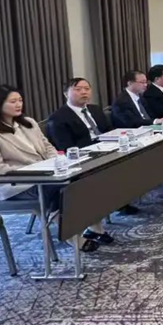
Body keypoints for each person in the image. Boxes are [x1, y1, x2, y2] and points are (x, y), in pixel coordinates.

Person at [0, 84, 104, 253]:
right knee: (61, 189)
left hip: (49, 174)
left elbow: (47, 147)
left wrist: (58, 163)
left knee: (85, 179)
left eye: (20, 100)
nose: (18, 104)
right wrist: (39, 170)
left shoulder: (28, 123)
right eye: (12, 101)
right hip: (18, 185)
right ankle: (73, 237)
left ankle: (95, 228)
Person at [47, 78, 134, 226]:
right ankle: (97, 217)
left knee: (132, 159)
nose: (84, 92)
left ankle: (120, 200)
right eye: (78, 89)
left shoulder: (95, 110)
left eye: (87, 89)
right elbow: (66, 147)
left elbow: (109, 132)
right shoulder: (58, 118)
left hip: (107, 151)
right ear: (66, 94)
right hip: (84, 159)